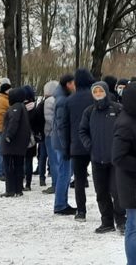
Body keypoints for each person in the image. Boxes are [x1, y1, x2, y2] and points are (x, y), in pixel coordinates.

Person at [80, 81, 125, 233]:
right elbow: (82, 131)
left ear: (106, 92)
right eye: (95, 92)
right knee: (101, 192)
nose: (98, 94)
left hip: (115, 160)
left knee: (117, 191)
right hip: (97, 159)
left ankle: (121, 221)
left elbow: (125, 129)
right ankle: (107, 222)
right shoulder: (89, 111)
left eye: (101, 91)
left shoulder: (117, 109)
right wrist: (89, 145)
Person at [113, 81, 136, 265]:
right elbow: (118, 157)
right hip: (131, 183)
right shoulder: (126, 123)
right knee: (134, 228)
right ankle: (133, 262)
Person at [59, 69, 97, 222]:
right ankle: (108, 211)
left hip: (76, 145)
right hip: (95, 144)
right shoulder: (95, 97)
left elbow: (64, 126)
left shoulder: (69, 101)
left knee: (79, 180)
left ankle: (81, 211)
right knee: (102, 179)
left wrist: (66, 147)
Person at [52, 74, 77, 215]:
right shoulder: (62, 101)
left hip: (62, 142)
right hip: (63, 143)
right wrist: (66, 146)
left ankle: (62, 203)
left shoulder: (61, 98)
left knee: (65, 173)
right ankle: (60, 204)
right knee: (64, 174)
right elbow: (61, 126)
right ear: (68, 84)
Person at [0, 87, 31, 198]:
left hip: (12, 143)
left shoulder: (15, 107)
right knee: (18, 166)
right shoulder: (22, 107)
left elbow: (13, 121)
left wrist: (8, 135)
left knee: (8, 166)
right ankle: (18, 189)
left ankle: (10, 190)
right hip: (20, 142)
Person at [39, 81, 59, 191]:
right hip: (59, 133)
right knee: (58, 159)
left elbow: (49, 118)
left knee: (53, 160)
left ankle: (55, 184)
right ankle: (59, 183)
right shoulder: (60, 99)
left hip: (50, 133)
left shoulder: (48, 101)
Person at [0, 82, 12, 181]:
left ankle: (1, 171)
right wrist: (2, 129)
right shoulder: (2, 100)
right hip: (2, 129)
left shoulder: (3, 99)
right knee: (1, 151)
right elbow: (0, 116)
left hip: (1, 128)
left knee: (2, 151)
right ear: (6, 90)